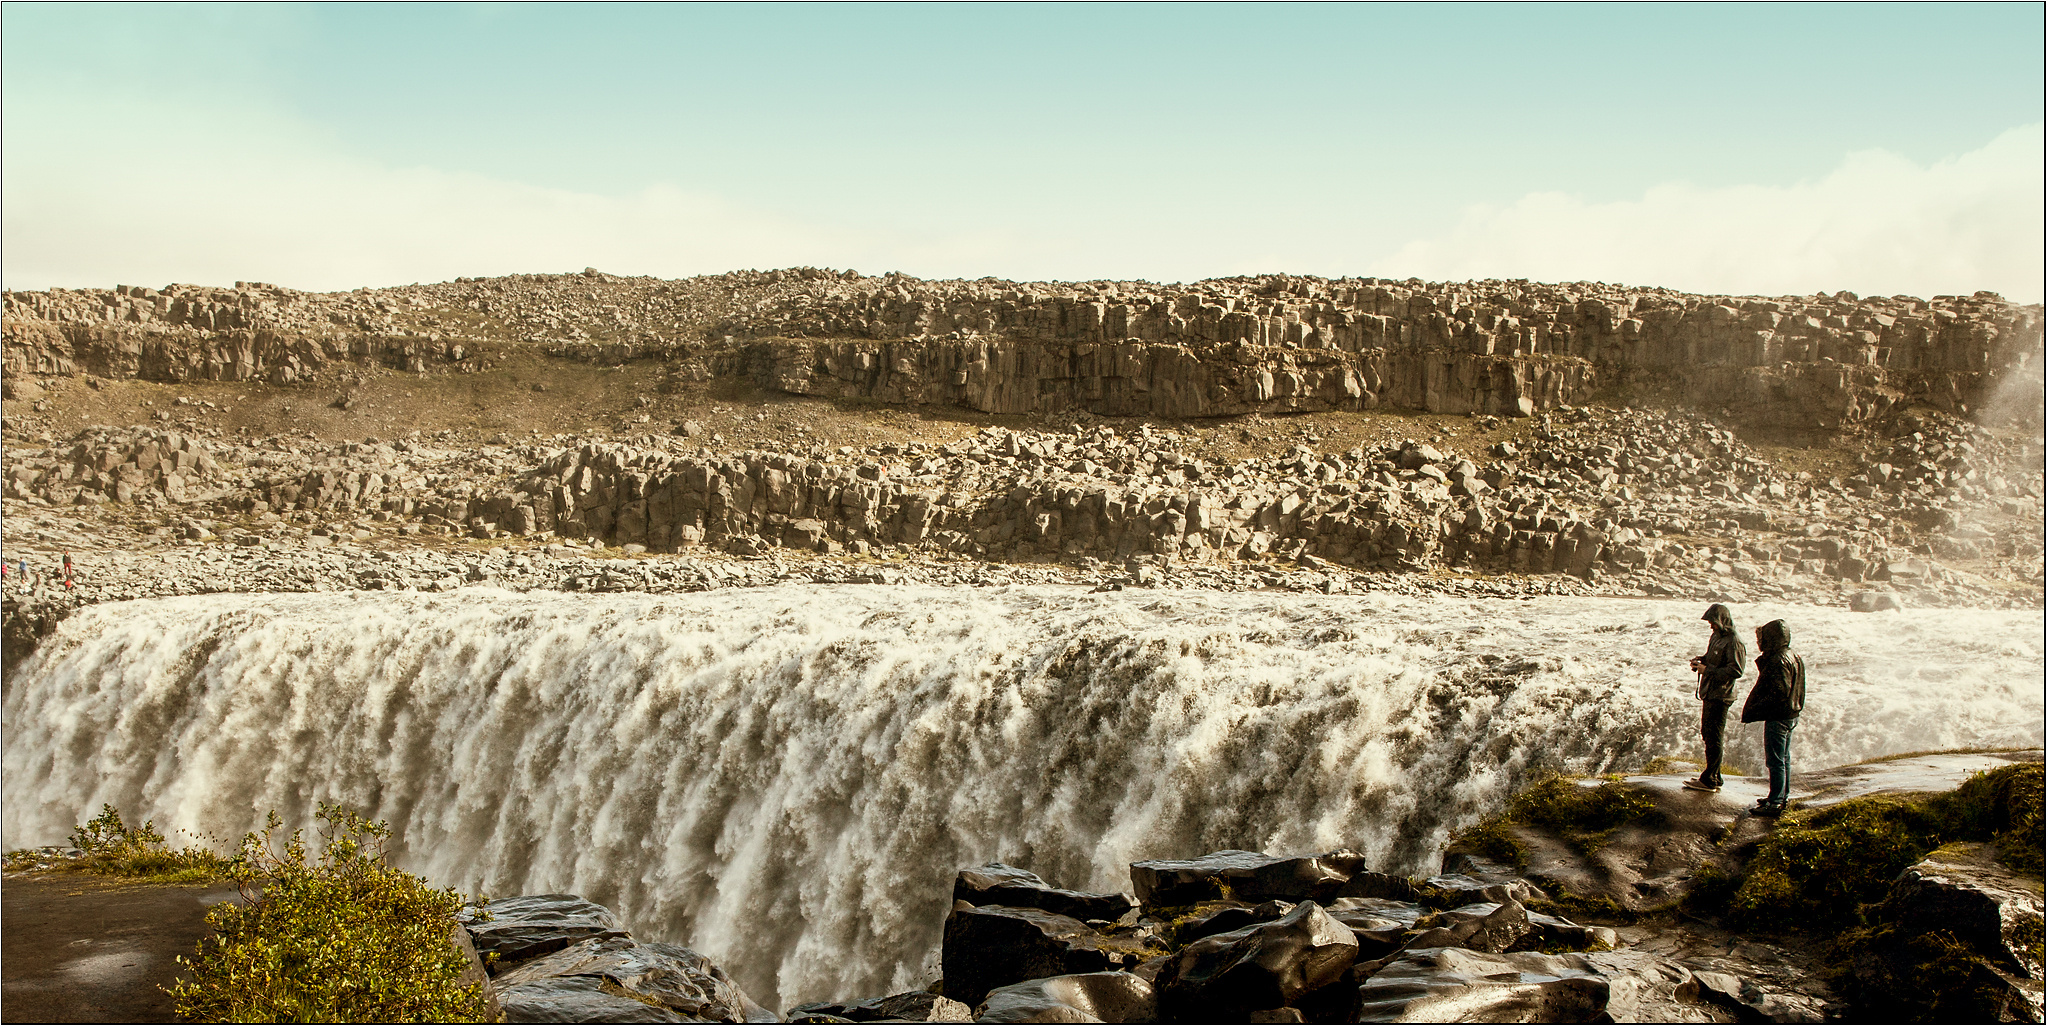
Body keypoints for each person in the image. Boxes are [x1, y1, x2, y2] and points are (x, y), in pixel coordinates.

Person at [1740, 619, 1805, 816]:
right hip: (1792, 714)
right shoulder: (1793, 654)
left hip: (1779, 715)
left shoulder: (1777, 660)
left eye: (1762, 638)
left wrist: (1759, 707)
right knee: (1784, 758)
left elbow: (1779, 691)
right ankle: (1781, 796)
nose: (1759, 643)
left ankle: (1775, 802)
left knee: (1775, 760)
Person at [1683, 604, 1745, 792]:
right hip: (1710, 693)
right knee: (1708, 734)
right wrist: (1701, 660)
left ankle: (1709, 779)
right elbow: (1713, 659)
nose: (1711, 626)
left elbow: (1736, 670)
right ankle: (1714, 776)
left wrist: (1707, 670)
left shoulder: (1735, 641)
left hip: (1722, 696)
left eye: (1713, 622)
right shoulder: (1716, 637)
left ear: (1723, 621)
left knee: (1714, 737)